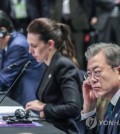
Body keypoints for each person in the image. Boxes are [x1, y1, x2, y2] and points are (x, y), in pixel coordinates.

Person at [25, 18, 83, 133]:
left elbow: (74, 107)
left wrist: (44, 107)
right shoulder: (49, 64)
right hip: (49, 127)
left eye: (34, 46)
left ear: (50, 44)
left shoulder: (63, 65)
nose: (30, 51)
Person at [0, 10, 45, 107]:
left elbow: (4, 79)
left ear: (2, 31)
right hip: (16, 93)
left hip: (28, 98)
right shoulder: (6, 43)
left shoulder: (18, 46)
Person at [76, 42, 120, 134]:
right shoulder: (112, 104)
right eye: (89, 74)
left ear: (118, 72)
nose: (91, 80)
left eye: (97, 72)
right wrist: (89, 109)